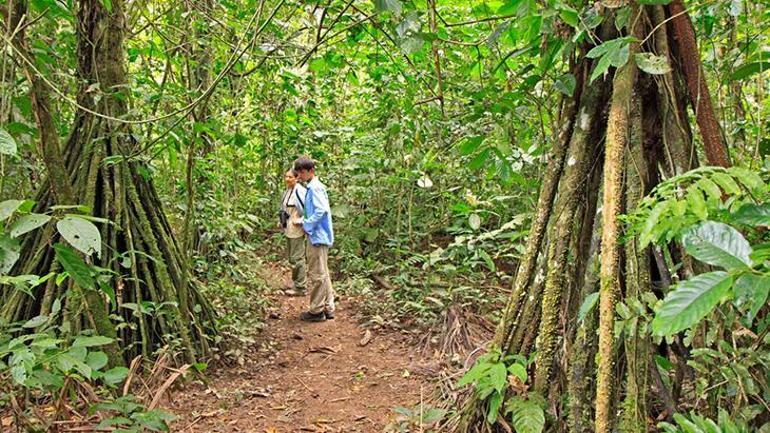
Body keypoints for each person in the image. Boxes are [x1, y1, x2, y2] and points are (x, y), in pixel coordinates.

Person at [293, 156, 335, 322]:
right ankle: (327, 306)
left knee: (318, 274)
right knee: (323, 272)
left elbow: (321, 211)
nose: (300, 175)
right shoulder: (312, 187)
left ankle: (316, 310)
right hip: (318, 235)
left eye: (302, 172)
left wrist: (306, 224)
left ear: (311, 171)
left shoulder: (315, 188)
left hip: (317, 236)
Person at [280, 169, 307, 296]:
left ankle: (301, 287)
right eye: (286, 177)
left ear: (296, 178)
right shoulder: (287, 191)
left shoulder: (300, 191)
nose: (287, 179)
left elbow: (308, 209)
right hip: (288, 228)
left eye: (290, 177)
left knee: (297, 257)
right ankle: (296, 282)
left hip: (297, 228)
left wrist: (302, 221)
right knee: (292, 257)